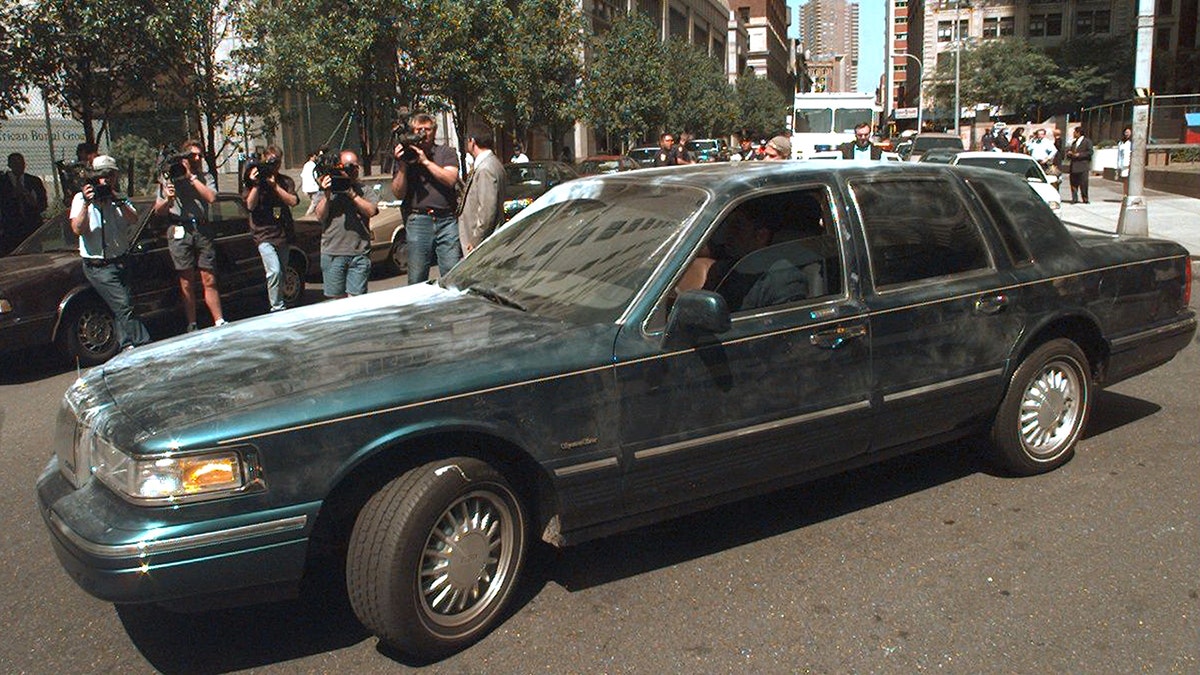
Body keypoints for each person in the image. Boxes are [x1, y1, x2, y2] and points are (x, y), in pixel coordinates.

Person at [68, 155, 150, 351]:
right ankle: (144, 344)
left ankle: (127, 345)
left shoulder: (119, 198)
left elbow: (133, 219)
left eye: (110, 176)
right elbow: (77, 229)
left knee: (121, 307)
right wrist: (88, 204)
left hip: (121, 260)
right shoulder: (81, 199)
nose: (106, 181)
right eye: (102, 176)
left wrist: (116, 199)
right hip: (99, 266)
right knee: (124, 305)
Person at [153, 139, 225, 331]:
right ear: (184, 157)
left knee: (209, 277)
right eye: (193, 155)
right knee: (186, 280)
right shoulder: (169, 175)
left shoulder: (204, 175)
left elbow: (211, 197)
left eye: (200, 155)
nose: (197, 158)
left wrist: (192, 177)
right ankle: (192, 323)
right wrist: (168, 198)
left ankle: (219, 320)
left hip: (201, 228)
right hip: (179, 229)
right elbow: (158, 210)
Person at [391, 113, 461, 283]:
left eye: (427, 129)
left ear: (434, 131)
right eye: (418, 129)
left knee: (451, 273)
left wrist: (425, 162)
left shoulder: (446, 152)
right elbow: (398, 193)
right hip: (418, 220)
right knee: (417, 275)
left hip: (446, 219)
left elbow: (451, 179)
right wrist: (402, 166)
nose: (423, 133)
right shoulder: (405, 156)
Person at [316, 150, 378, 298]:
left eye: (356, 167)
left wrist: (351, 194)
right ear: (339, 167)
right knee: (337, 303)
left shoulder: (364, 190)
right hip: (333, 252)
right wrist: (327, 194)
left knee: (356, 301)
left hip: (359, 253)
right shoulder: (328, 189)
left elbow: (371, 211)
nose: (353, 170)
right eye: (348, 167)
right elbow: (320, 216)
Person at [243, 145, 299, 311]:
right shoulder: (253, 181)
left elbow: (293, 201)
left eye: (276, 163)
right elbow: (250, 206)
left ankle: (279, 300)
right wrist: (256, 184)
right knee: (273, 270)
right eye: (270, 162)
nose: (273, 166)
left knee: (281, 272)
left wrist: (275, 186)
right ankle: (277, 307)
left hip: (282, 234)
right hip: (263, 235)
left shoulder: (285, 181)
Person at [458, 127, 507, 256]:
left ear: (472, 141)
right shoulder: (492, 164)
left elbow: (486, 211)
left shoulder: (486, 168)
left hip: (482, 243)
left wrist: (475, 241)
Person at [0, 153, 48, 254]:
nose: (19, 166)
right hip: (10, 227)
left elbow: (43, 203)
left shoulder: (34, 181)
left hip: (31, 225)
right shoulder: (3, 182)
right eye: (15, 163)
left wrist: (30, 199)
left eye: (21, 163)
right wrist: (13, 195)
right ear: (9, 165)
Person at [1065, 126, 1094, 203]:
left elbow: (1090, 152)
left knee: (1083, 183)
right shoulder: (1074, 142)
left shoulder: (1087, 142)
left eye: (1075, 132)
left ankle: (1085, 198)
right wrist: (1069, 154)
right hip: (1074, 166)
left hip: (1083, 166)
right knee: (1073, 183)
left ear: (1078, 133)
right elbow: (1070, 152)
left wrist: (1079, 155)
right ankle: (1074, 198)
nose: (1073, 134)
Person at [301, 148, 322, 215]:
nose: (315, 157)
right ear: (311, 157)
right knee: (315, 202)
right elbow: (316, 177)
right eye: (314, 156)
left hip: (307, 188)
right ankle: (307, 216)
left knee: (315, 202)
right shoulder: (313, 165)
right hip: (313, 187)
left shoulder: (306, 165)